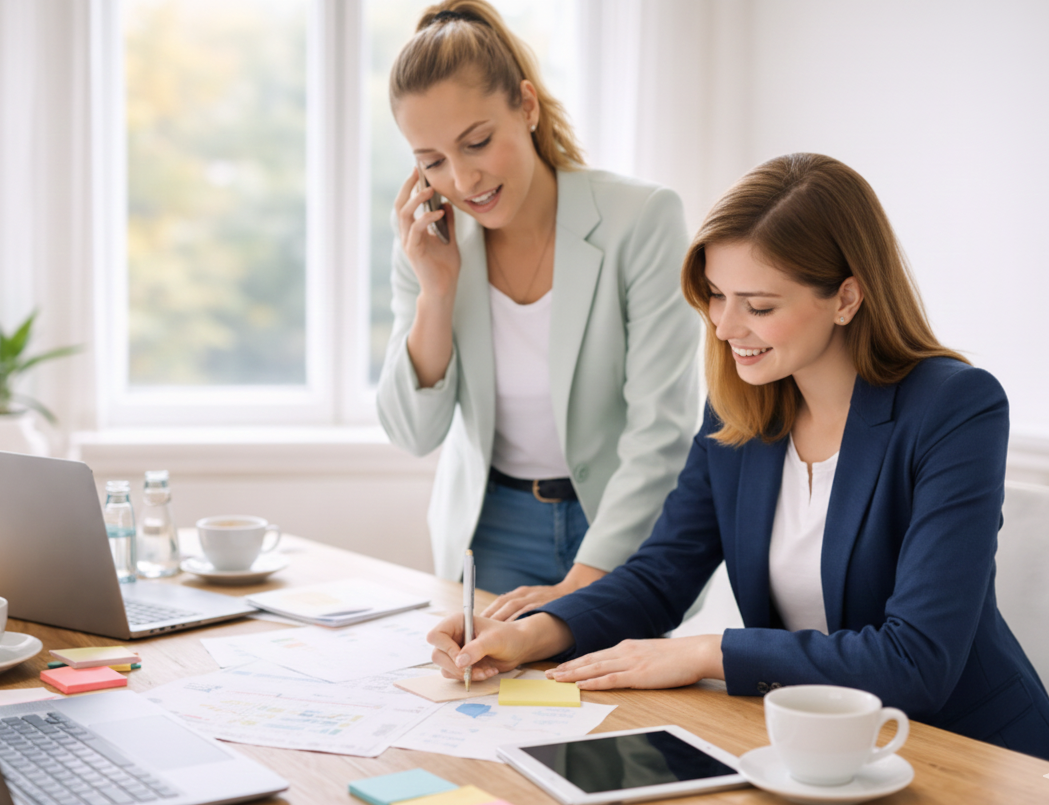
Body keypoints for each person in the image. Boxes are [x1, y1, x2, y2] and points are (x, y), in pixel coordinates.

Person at [427, 153, 1049, 759]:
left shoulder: (955, 408)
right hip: (814, 749)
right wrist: (529, 633)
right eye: (717, 296)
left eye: (759, 306)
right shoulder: (739, 411)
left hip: (970, 752)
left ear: (846, 298)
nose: (725, 328)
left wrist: (708, 652)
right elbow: (661, 574)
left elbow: (916, 661)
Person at [377, 0, 701, 618]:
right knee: (494, 711)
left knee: (618, 709)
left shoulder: (642, 219)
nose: (464, 180)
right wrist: (437, 290)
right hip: (492, 529)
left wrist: (583, 583)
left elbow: (660, 430)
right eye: (432, 162)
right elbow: (413, 434)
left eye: (477, 142)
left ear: (525, 107)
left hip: (620, 525)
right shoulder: (430, 250)